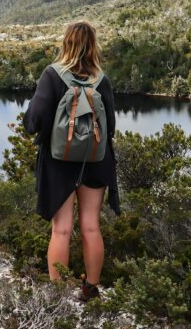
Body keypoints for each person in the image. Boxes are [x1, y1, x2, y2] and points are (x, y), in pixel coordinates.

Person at [23, 20, 120, 301]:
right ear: (93, 46)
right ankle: (90, 289)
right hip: (96, 161)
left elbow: (34, 121)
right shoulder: (101, 80)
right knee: (91, 226)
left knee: (62, 229)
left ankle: (57, 295)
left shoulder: (52, 75)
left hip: (59, 162)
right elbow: (111, 127)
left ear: (66, 43)